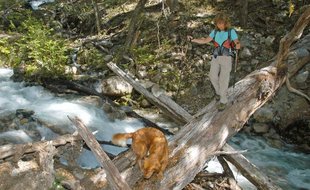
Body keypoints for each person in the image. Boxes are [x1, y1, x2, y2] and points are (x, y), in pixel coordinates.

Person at [187, 13, 241, 111]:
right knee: (212, 76)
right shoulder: (215, 32)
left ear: (225, 23)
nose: (220, 25)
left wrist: (237, 44)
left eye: (221, 23)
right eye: (218, 23)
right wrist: (193, 40)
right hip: (216, 57)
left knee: (223, 80)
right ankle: (219, 92)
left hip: (226, 58)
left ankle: (223, 101)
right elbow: (205, 41)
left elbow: (236, 41)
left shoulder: (231, 31)